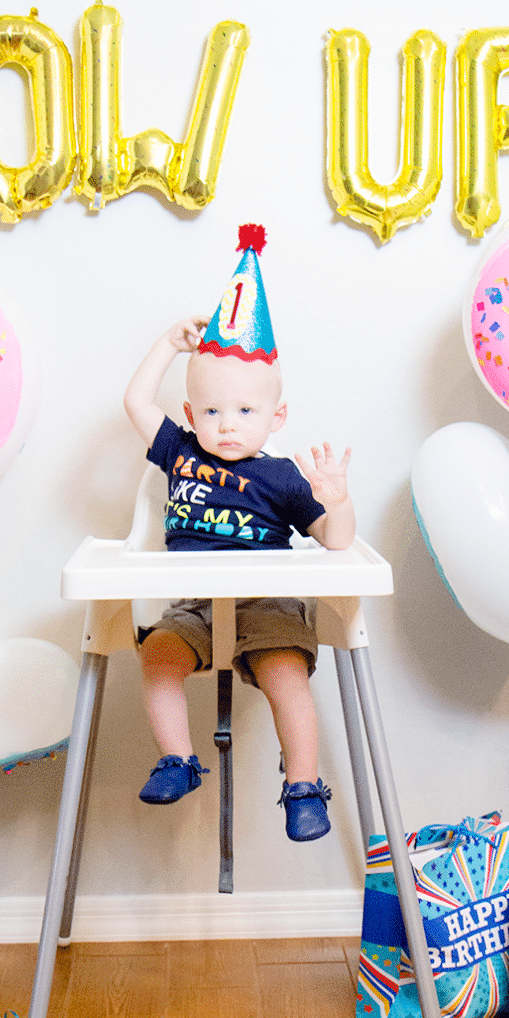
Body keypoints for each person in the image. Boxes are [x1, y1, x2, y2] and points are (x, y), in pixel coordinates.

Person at [123, 311, 354, 841]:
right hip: (195, 606)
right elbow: (136, 403)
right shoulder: (180, 453)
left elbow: (336, 540)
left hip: (264, 605)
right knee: (157, 656)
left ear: (277, 415)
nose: (227, 423)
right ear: (189, 414)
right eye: (211, 410)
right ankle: (178, 760)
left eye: (246, 410)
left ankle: (302, 785)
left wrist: (336, 502)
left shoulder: (282, 477)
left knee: (288, 678)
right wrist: (166, 344)